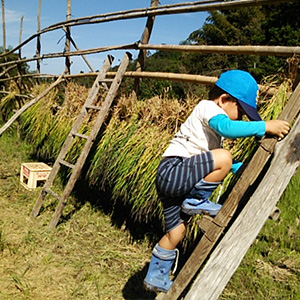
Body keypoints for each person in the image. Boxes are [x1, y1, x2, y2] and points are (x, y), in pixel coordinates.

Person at [143, 70, 290, 293]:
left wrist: (248, 171)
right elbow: (227, 131)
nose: (240, 118)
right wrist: (264, 126)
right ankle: (196, 200)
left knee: (176, 233)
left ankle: (155, 277)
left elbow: (225, 163)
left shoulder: (210, 129)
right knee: (223, 155)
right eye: (240, 111)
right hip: (173, 171)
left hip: (173, 184)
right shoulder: (207, 107)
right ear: (223, 100)